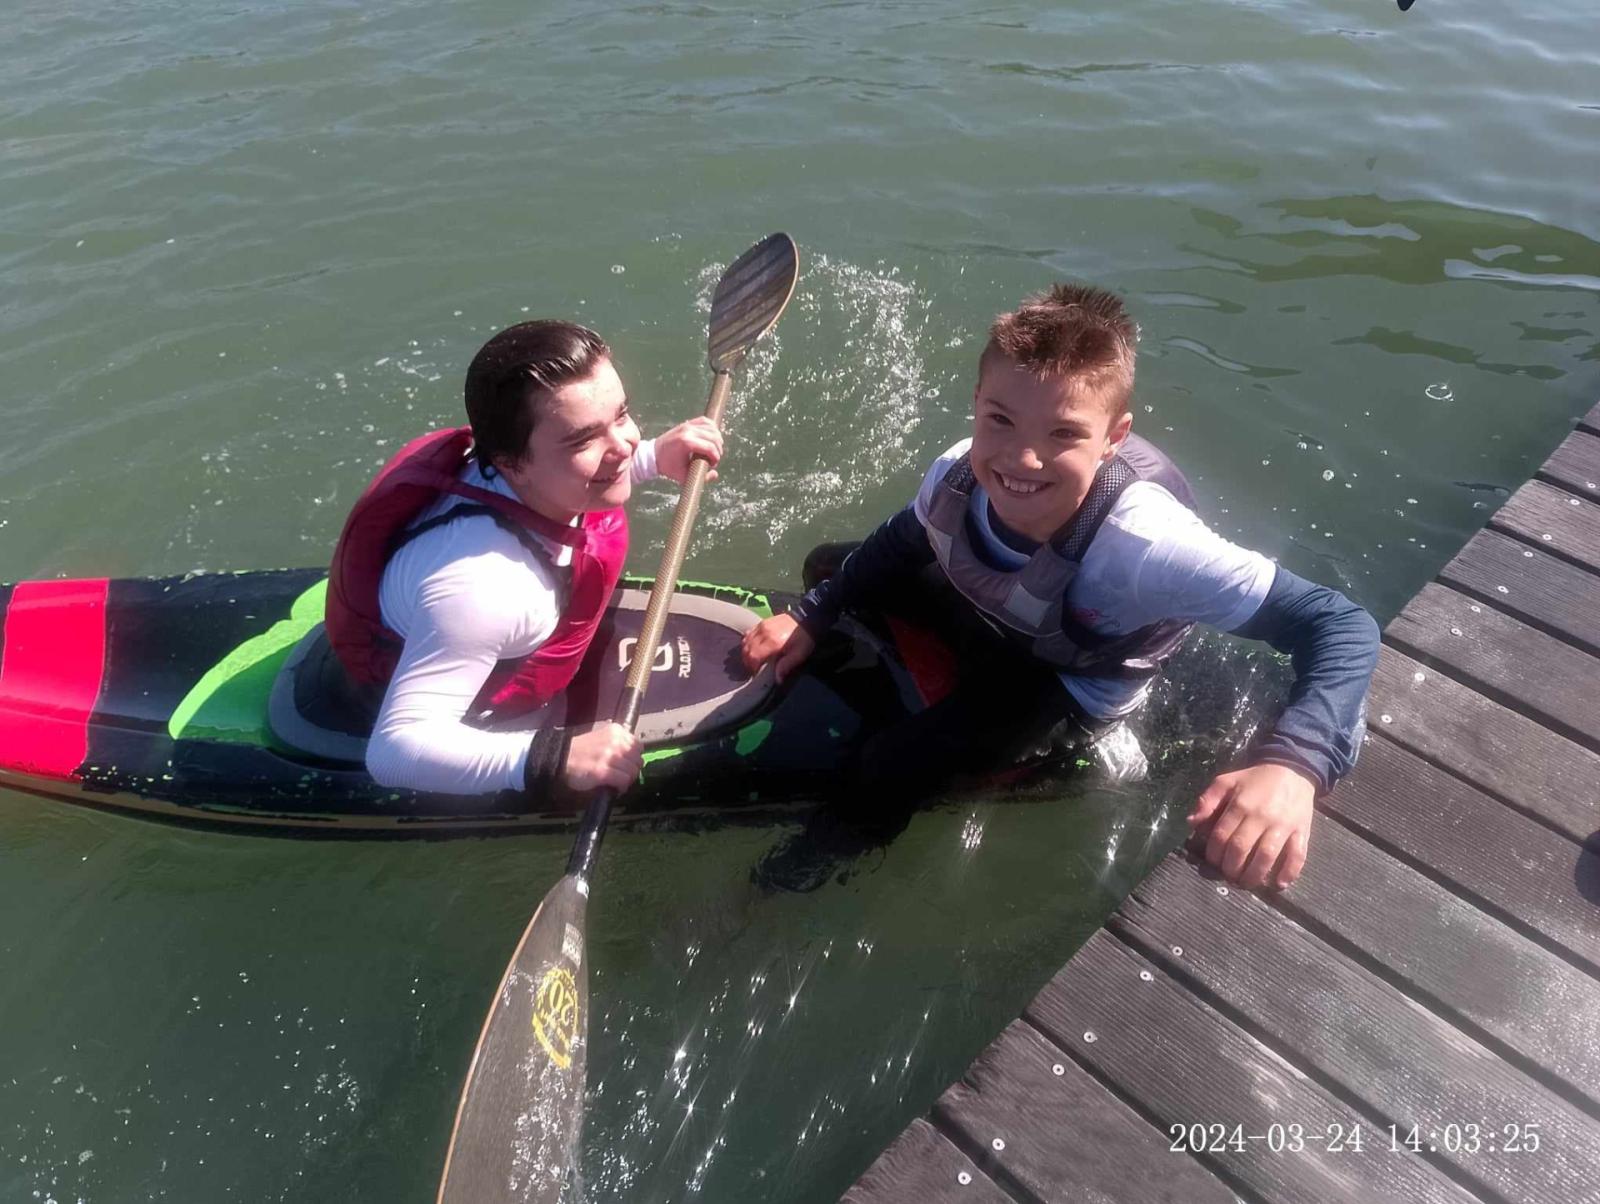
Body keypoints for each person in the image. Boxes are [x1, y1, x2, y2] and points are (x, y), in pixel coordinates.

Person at [741, 284, 1379, 890]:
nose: (1023, 459)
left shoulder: (1147, 545)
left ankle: (788, 877)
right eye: (1001, 420)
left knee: (888, 766)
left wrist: (1296, 763)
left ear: (1114, 438)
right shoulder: (957, 469)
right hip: (1001, 620)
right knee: (829, 568)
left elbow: (1339, 624)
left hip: (1069, 678)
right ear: (977, 403)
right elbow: (902, 540)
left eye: (1065, 433)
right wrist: (815, 612)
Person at [324, 319, 722, 802]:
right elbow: (394, 752)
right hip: (422, 703)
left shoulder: (510, 466)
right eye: (583, 440)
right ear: (510, 461)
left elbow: (571, 470)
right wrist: (553, 758)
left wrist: (655, 457)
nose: (624, 444)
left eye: (621, 414)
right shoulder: (486, 589)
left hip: (447, 636)